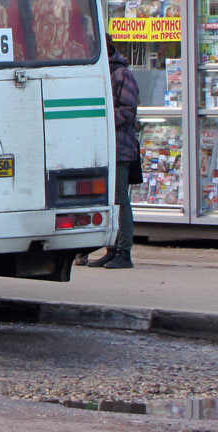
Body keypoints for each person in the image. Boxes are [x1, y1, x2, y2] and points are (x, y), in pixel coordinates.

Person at [82, 36, 139, 269]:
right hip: (103, 146)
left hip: (120, 147)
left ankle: (124, 252)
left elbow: (128, 110)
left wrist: (101, 119)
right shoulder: (100, 72)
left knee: (119, 199)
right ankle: (112, 249)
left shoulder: (122, 74)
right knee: (108, 199)